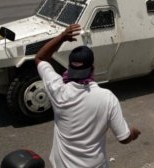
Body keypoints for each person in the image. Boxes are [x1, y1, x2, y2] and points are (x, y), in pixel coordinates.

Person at [35, 23, 140, 168]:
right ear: (92, 69)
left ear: (69, 68)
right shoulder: (107, 98)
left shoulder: (58, 90)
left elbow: (40, 58)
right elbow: (124, 138)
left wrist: (62, 37)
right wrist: (133, 133)